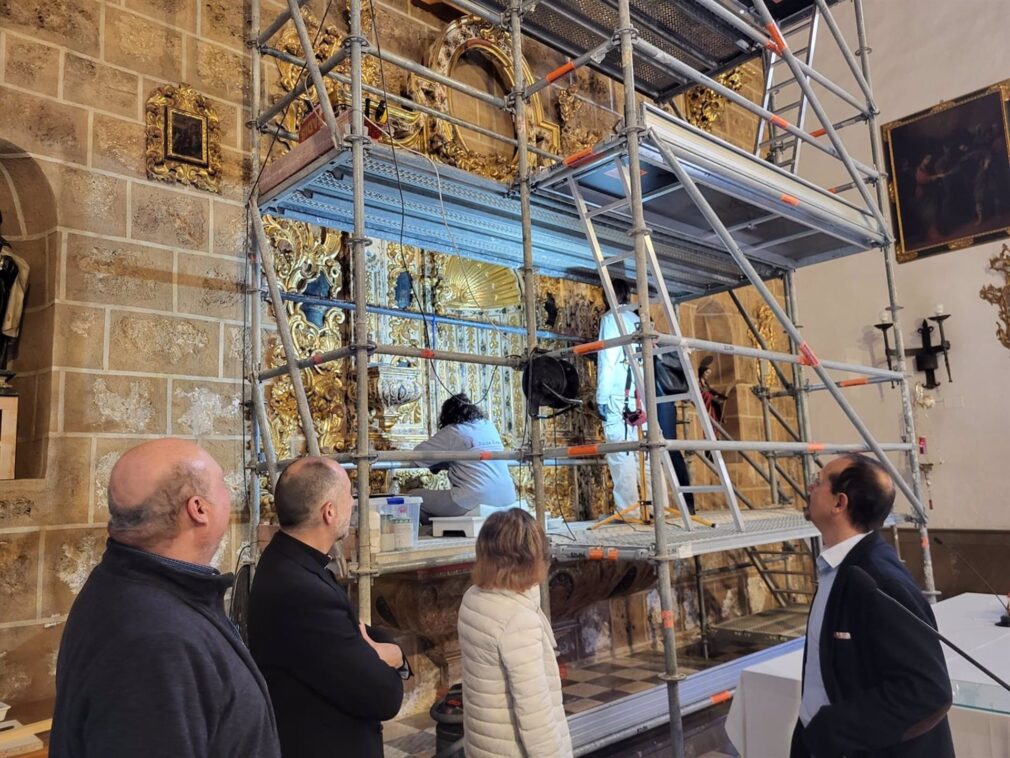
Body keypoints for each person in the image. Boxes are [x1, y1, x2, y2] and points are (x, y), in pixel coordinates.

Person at [50, 439, 280, 758]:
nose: (230, 496)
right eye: (223, 485)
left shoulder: (125, 586)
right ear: (198, 509)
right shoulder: (156, 644)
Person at [791, 454, 954, 758]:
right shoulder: (840, 567)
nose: (809, 488)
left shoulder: (877, 580)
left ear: (839, 503)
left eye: (817, 482)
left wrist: (830, 729)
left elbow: (928, 691)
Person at [248, 457, 409, 758]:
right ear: (329, 512)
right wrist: (397, 655)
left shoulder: (287, 560)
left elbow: (357, 634)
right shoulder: (303, 592)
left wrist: (374, 649)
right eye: (349, 494)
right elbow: (383, 697)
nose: (354, 502)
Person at [457, 508, 572, 758]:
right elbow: (534, 712)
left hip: (484, 745)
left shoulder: (473, 598)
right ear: (531, 557)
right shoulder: (517, 618)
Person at [409, 393, 517, 523]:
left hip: (473, 498)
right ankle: (442, 527)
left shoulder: (454, 430)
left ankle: (433, 532)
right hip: (508, 496)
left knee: (413, 498)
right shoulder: (489, 426)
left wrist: (444, 460)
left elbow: (418, 454)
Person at [596, 278, 650, 512]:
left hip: (618, 395)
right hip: (640, 395)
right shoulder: (638, 320)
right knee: (645, 455)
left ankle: (628, 510)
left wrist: (601, 398)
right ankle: (655, 505)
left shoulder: (611, 319)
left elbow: (607, 362)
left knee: (621, 453)